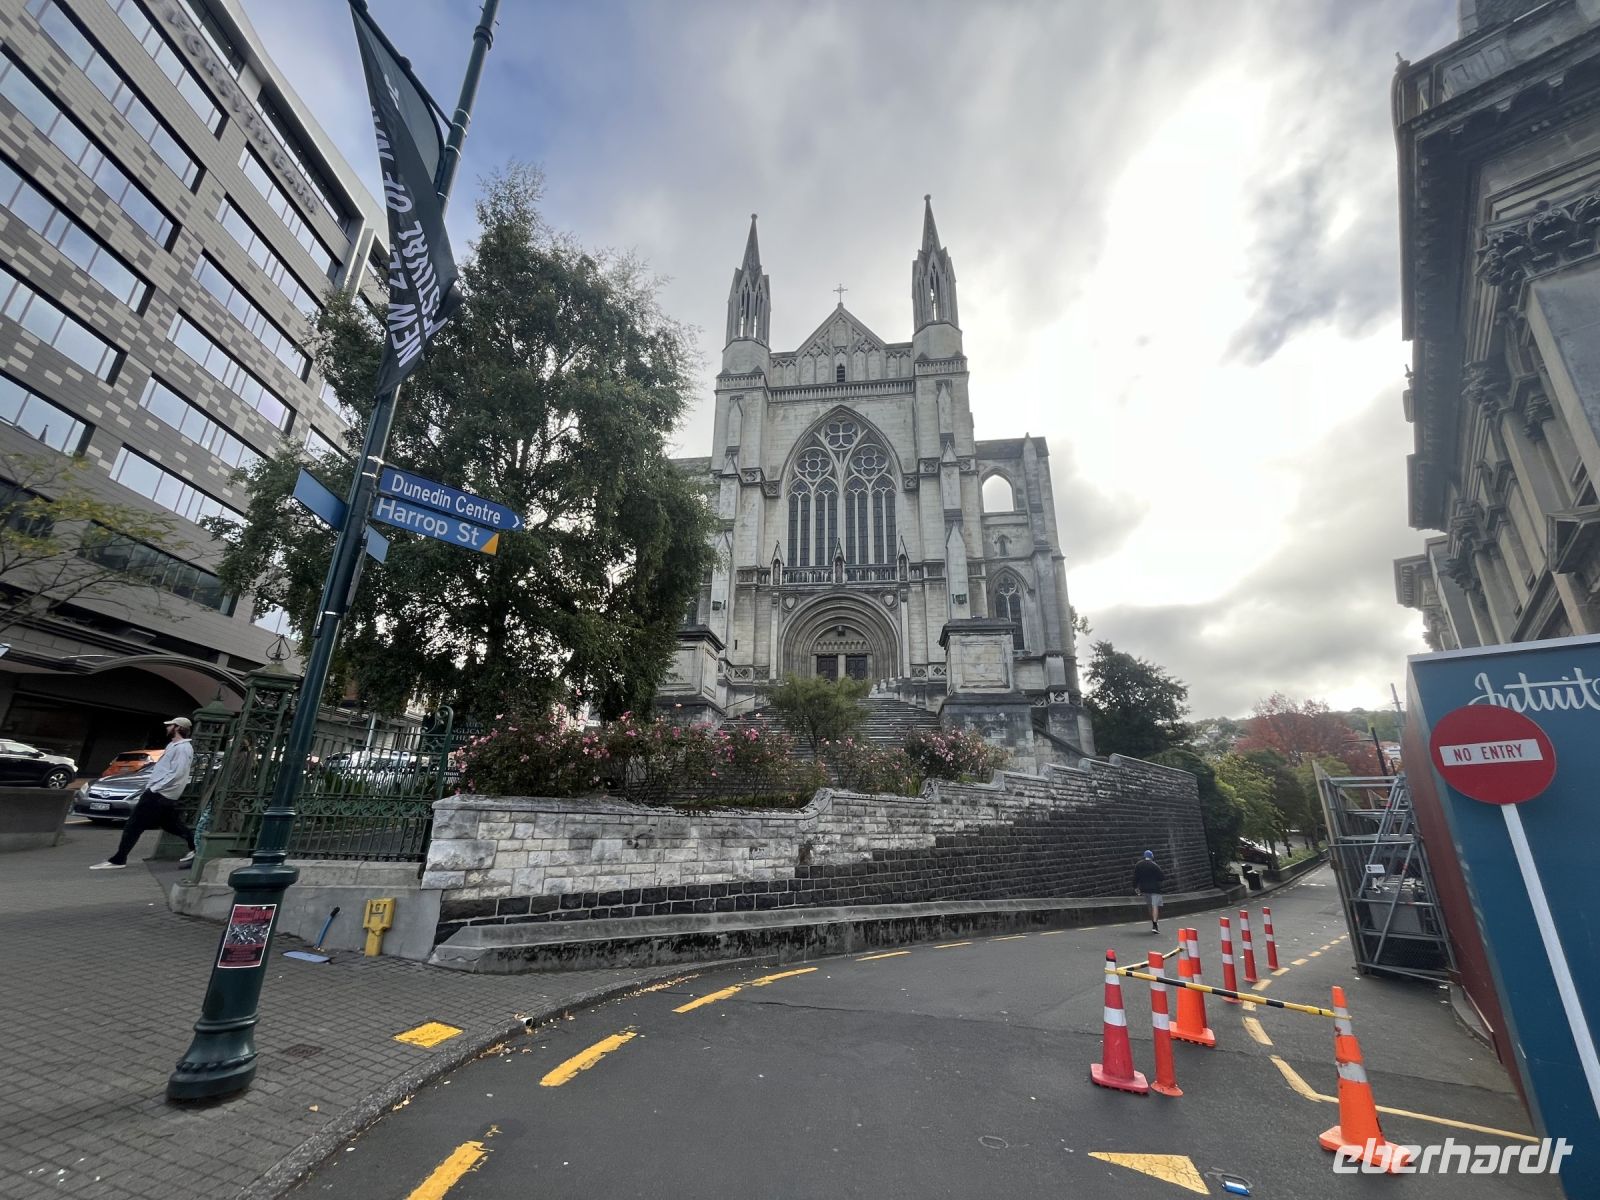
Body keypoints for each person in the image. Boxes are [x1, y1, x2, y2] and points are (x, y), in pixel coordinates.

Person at [91, 717, 197, 870]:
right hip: (161, 792)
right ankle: (195, 846)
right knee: (170, 824)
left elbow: (178, 772)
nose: (167, 728)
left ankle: (118, 859)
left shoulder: (183, 748)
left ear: (178, 728)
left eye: (170, 726)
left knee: (134, 825)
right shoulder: (173, 746)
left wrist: (156, 787)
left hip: (160, 793)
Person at [1132, 849, 1165, 933]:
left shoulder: (1138, 865)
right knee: (1155, 906)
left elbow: (1135, 877)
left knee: (1150, 906)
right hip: (1155, 889)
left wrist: (1135, 887)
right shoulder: (1154, 865)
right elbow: (1162, 877)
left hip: (1144, 889)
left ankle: (1154, 923)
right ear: (1152, 856)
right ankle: (1155, 925)